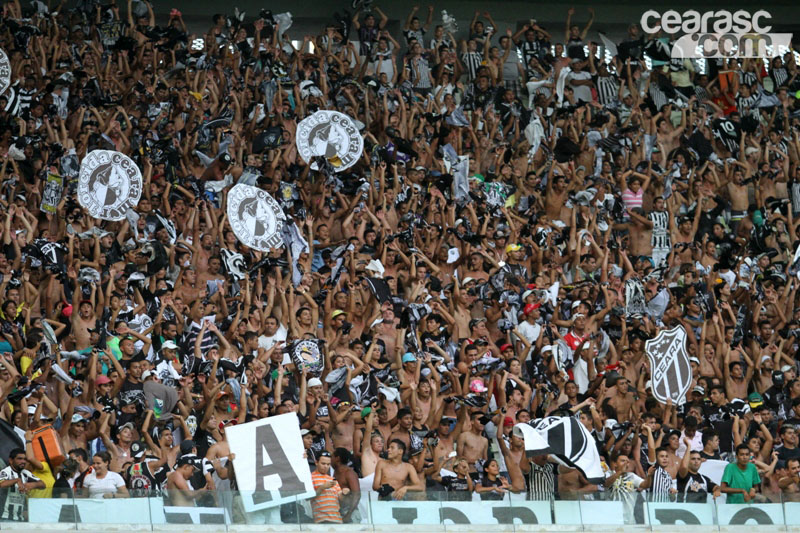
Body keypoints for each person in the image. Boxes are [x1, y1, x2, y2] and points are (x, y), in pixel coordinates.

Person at [0, 448, 45, 521]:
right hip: (5, 518)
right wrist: (17, 480)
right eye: (19, 459)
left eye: (25, 459)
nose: (23, 461)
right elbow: (2, 484)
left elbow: (43, 484)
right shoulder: (5, 472)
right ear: (11, 460)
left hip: (20, 518)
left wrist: (32, 485)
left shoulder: (25, 473)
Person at [311, 451, 348, 523]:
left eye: (328, 464)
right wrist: (322, 487)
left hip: (337, 519)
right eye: (323, 463)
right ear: (316, 462)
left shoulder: (332, 479)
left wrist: (344, 493)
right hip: (321, 520)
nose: (326, 466)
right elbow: (308, 497)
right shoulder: (311, 477)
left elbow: (340, 498)